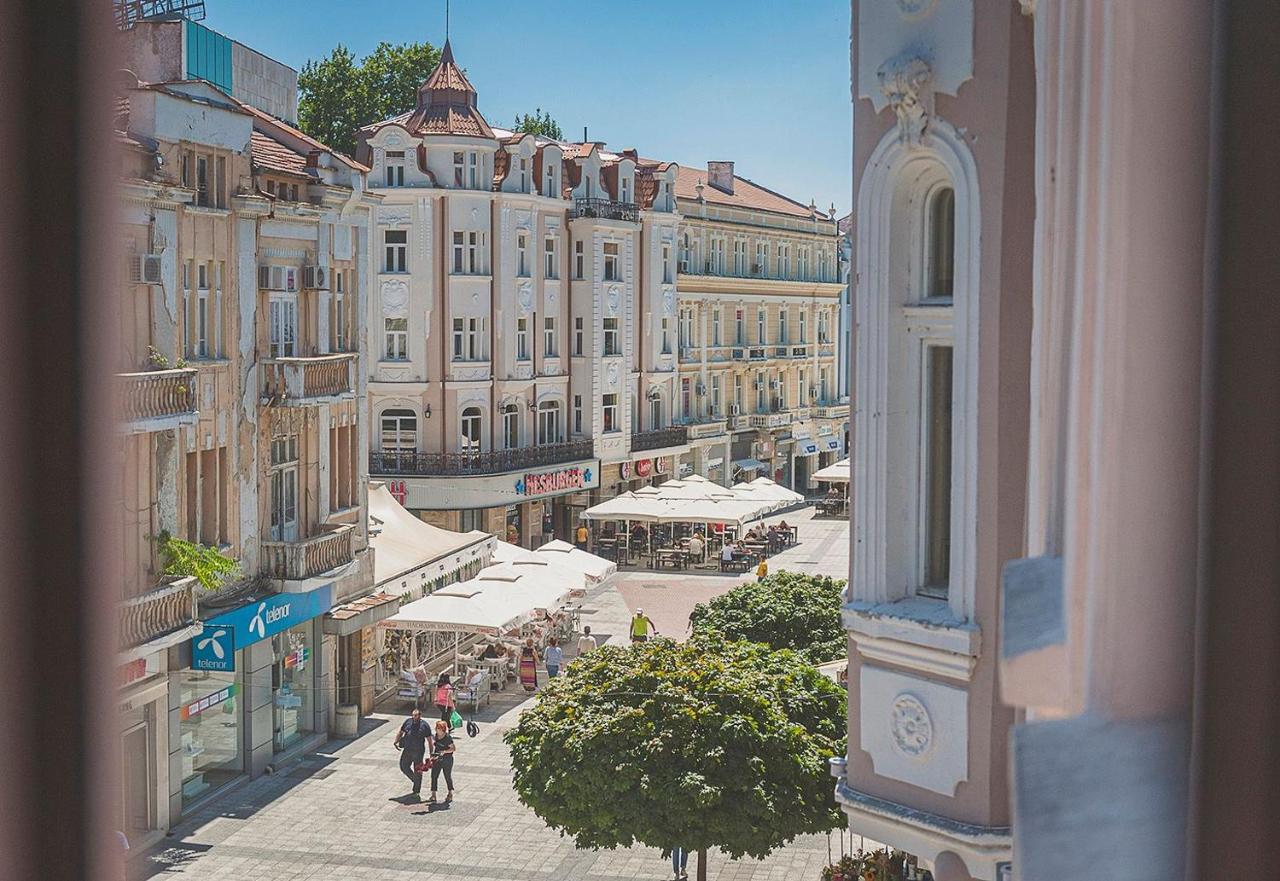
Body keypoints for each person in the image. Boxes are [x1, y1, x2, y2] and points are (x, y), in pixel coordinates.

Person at [393, 707, 432, 797]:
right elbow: (401, 732)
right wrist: (396, 741)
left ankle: (416, 790)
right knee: (403, 766)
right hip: (407, 749)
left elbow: (429, 740)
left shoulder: (424, 725)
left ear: (420, 716)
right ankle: (415, 780)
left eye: (416, 716)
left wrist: (431, 753)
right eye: (413, 716)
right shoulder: (408, 722)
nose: (414, 718)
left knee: (418, 770)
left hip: (418, 751)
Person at [427, 719, 456, 804]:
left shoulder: (447, 738)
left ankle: (450, 793)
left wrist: (444, 752)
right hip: (437, 759)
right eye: (436, 728)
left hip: (447, 759)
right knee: (434, 775)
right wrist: (433, 756)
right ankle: (433, 794)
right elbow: (434, 745)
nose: (437, 730)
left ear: (443, 729)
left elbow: (453, 748)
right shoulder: (436, 736)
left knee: (447, 775)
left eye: (439, 728)